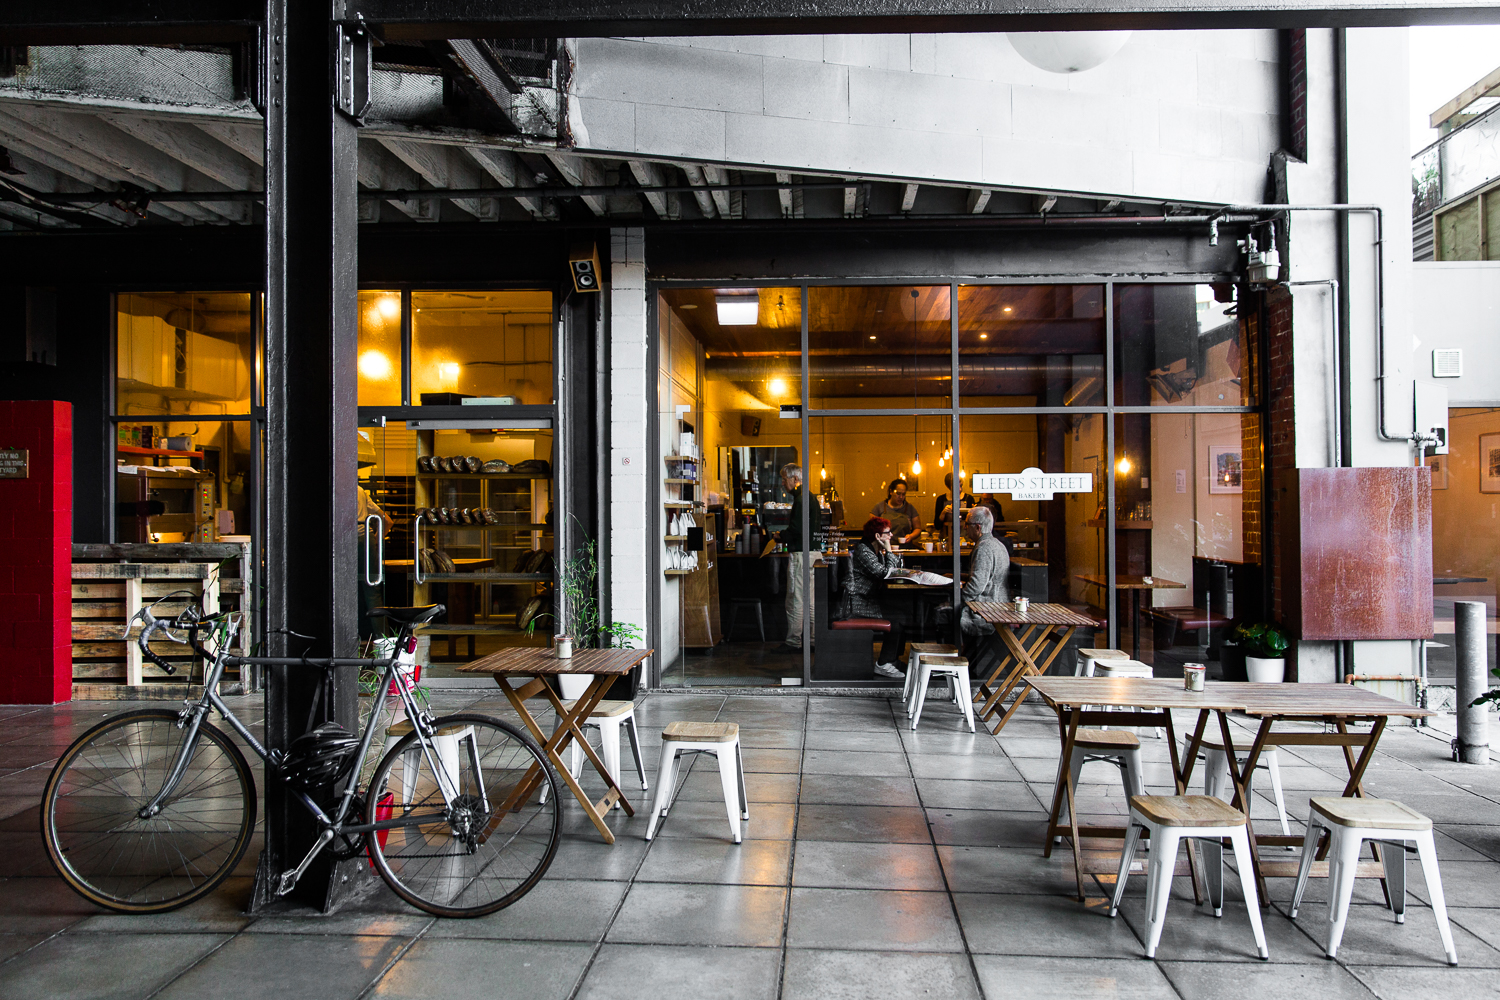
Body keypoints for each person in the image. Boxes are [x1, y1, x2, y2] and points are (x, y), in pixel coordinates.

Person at [837, 517, 908, 679]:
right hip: (857, 603)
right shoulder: (863, 551)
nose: (891, 535)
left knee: (903, 615)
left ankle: (892, 660)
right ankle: (883, 664)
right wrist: (889, 551)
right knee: (897, 620)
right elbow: (886, 573)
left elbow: (891, 570)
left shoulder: (874, 550)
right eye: (888, 533)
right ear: (877, 536)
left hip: (868, 599)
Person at [776, 463, 813, 653]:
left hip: (801, 553)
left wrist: (780, 536)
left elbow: (797, 529)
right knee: (810, 601)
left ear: (796, 479)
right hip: (813, 554)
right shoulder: (810, 497)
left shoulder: (800, 500)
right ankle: (813, 640)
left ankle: (793, 641)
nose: (783, 483)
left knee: (796, 599)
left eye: (785, 479)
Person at [959, 505, 1010, 641]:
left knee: (945, 612)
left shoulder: (984, 548)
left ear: (978, 527)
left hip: (986, 609)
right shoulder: (997, 544)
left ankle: (954, 651)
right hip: (999, 605)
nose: (964, 528)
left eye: (967, 524)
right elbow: (989, 577)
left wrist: (959, 597)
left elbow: (977, 586)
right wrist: (960, 576)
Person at [871, 478, 922, 547]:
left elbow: (918, 528)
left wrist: (911, 536)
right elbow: (871, 529)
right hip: (884, 548)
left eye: (903, 494)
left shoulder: (909, 508)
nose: (901, 497)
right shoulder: (879, 507)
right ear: (891, 492)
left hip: (905, 548)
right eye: (898, 494)